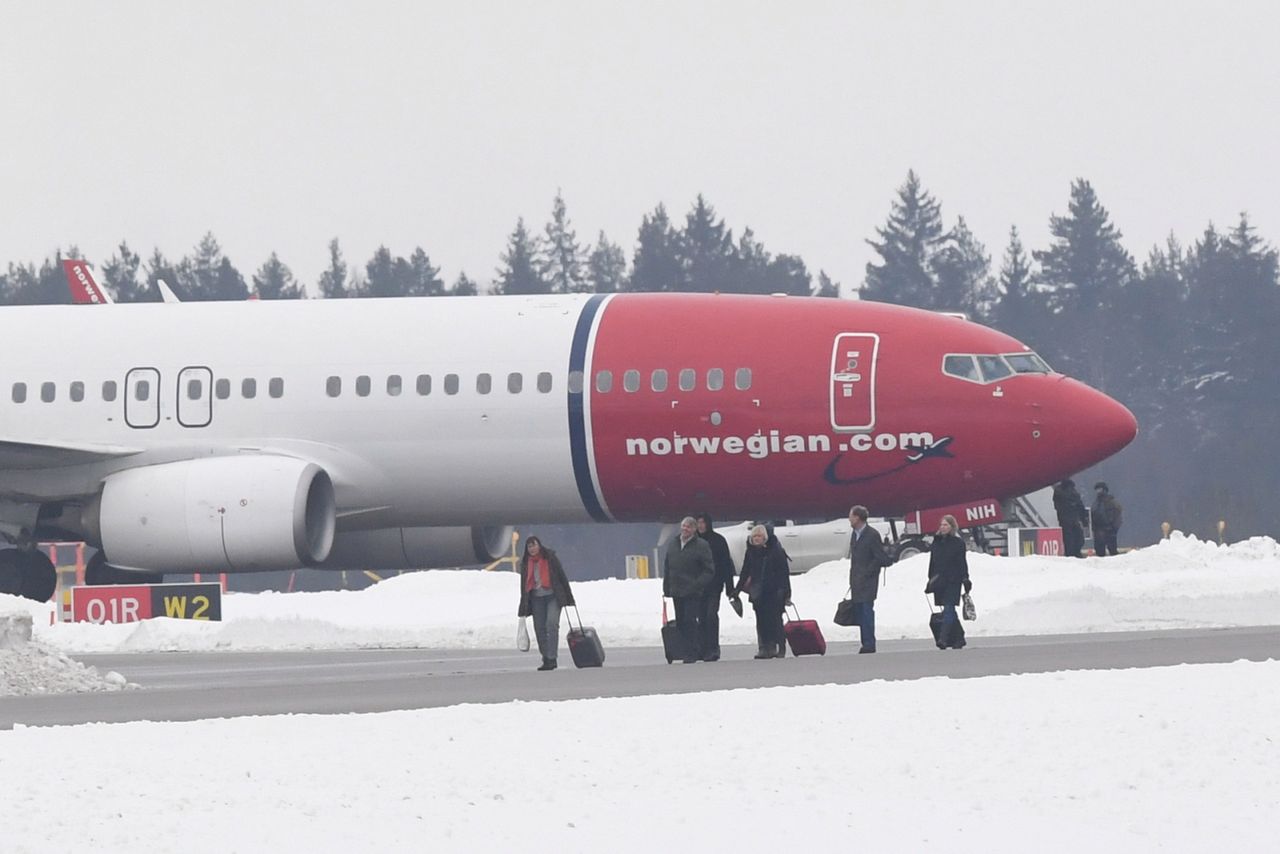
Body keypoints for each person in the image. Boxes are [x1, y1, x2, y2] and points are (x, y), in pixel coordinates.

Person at [516, 536, 576, 671]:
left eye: (534, 545)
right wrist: (523, 606)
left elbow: (561, 576)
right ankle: (547, 657)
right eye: (529, 547)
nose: (532, 549)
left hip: (553, 596)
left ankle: (552, 657)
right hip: (536, 598)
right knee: (540, 629)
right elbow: (524, 586)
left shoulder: (549, 558)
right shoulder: (526, 563)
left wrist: (569, 597)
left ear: (539, 545)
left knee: (551, 624)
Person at [663, 516, 715, 663]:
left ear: (694, 529)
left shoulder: (701, 545)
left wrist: (697, 585)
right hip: (676, 591)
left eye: (688, 527)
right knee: (680, 622)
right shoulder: (673, 543)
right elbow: (668, 566)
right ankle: (685, 650)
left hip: (693, 591)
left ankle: (693, 652)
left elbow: (709, 570)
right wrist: (666, 587)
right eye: (683, 526)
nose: (685, 529)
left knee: (690, 621)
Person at [735, 524, 791, 659]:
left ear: (765, 537)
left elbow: (784, 573)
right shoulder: (751, 552)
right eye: (754, 536)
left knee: (775, 620)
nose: (756, 539)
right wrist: (736, 590)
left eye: (759, 536)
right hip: (758, 591)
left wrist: (786, 593)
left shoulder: (776, 551)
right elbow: (745, 571)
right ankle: (766, 648)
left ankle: (781, 646)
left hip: (774, 591)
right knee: (761, 621)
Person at [695, 513, 738, 661]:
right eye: (698, 522)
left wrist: (730, 587)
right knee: (701, 617)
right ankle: (702, 648)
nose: (700, 525)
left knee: (711, 615)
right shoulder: (693, 541)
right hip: (698, 586)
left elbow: (726, 564)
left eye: (702, 522)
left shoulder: (718, 541)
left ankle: (713, 648)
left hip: (714, 584)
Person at [847, 505, 890, 654]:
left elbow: (879, 557)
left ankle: (869, 643)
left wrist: (867, 572)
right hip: (856, 580)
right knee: (860, 612)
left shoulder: (871, 534)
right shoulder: (854, 534)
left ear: (858, 518)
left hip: (868, 580)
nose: (849, 519)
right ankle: (865, 641)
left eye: (851, 516)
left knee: (866, 611)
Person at [926, 514, 972, 649]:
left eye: (946, 525)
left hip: (953, 580)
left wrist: (965, 578)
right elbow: (932, 562)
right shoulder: (936, 542)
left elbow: (962, 563)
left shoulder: (958, 543)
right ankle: (959, 637)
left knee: (949, 608)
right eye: (941, 525)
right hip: (940, 580)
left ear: (952, 526)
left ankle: (943, 638)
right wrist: (930, 580)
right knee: (949, 610)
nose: (943, 527)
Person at [1053, 478, 1087, 558]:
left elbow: (1057, 506)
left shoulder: (1058, 492)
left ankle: (1071, 554)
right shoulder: (1073, 492)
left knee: (1070, 538)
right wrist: (1083, 519)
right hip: (1072, 519)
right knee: (1076, 538)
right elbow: (1080, 506)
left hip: (1066, 519)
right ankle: (1075, 553)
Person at [1092, 482, 1122, 556]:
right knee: (1099, 552)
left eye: (1100, 489)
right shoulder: (1096, 503)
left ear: (1105, 490)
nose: (1098, 492)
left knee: (1113, 550)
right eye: (1097, 490)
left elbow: (1118, 516)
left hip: (1110, 530)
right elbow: (1093, 515)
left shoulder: (1112, 502)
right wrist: (1094, 528)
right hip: (1099, 530)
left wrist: (1114, 529)